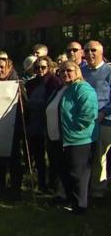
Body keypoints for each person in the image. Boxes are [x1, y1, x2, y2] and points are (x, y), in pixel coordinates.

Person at [57, 61, 98, 214]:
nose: (65, 73)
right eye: (62, 71)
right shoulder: (68, 88)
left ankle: (81, 206)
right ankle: (72, 202)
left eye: (69, 70)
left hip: (81, 139)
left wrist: (75, 127)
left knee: (79, 174)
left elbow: (89, 113)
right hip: (68, 138)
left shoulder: (83, 88)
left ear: (77, 71)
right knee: (70, 172)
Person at [25, 56, 62, 192]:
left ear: (49, 67)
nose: (39, 70)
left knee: (53, 157)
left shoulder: (55, 82)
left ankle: (53, 184)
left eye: (43, 67)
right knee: (38, 157)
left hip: (49, 123)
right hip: (34, 123)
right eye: (36, 67)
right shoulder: (30, 83)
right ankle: (41, 183)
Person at [0, 58, 23, 200]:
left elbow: (24, 107)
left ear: (9, 69)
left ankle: (15, 190)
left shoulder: (17, 85)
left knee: (14, 161)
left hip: (13, 128)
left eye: (2, 67)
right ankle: (0, 188)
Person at [81, 40, 111, 199]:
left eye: (93, 50)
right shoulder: (82, 70)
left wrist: (103, 113)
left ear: (101, 52)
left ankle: (98, 191)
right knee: (85, 156)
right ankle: (84, 189)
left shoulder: (108, 71)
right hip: (84, 121)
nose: (90, 53)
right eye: (86, 50)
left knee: (100, 157)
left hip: (103, 120)